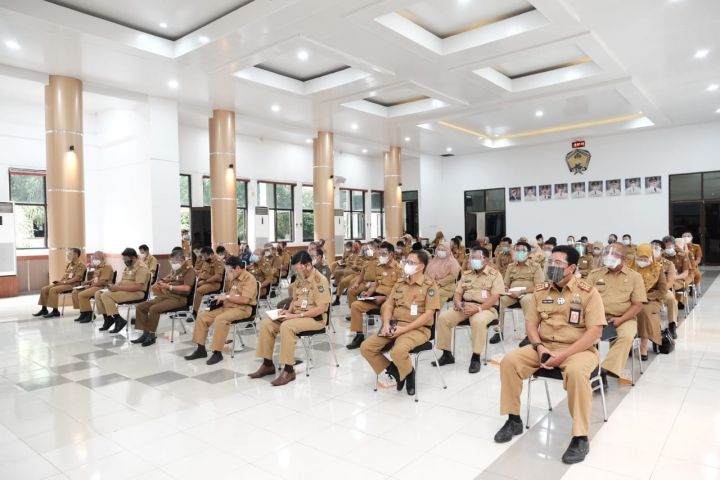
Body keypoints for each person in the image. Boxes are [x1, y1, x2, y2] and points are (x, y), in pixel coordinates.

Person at [494, 245, 605, 465]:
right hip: (543, 347)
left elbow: (595, 332)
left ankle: (580, 437)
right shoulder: (540, 290)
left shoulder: (587, 292)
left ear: (572, 267)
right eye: (550, 262)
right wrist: (538, 346)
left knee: (575, 372)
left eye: (558, 263)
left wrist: (564, 355)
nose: (551, 266)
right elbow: (531, 324)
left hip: (577, 350)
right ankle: (513, 419)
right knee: (509, 361)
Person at [360, 250, 440, 396]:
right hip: (394, 324)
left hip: (418, 329)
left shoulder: (430, 286)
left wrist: (403, 330)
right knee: (366, 347)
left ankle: (409, 375)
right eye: (406, 261)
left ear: (421, 266)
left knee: (397, 351)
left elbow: (429, 315)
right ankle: (396, 370)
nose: (407, 265)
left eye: (411, 262)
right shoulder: (400, 283)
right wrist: (385, 324)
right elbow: (389, 305)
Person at [249, 251, 331, 386]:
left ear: (308, 265)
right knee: (266, 323)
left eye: (297, 269)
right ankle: (267, 364)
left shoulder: (320, 280)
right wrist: (288, 311)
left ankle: (288, 370)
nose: (296, 272)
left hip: (315, 319)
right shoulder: (300, 278)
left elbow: (322, 308)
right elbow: (295, 299)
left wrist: (295, 316)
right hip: (297, 316)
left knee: (287, 326)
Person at [434, 246, 504, 373]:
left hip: (486, 309)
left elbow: (494, 297)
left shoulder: (495, 275)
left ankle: (476, 357)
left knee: (477, 321)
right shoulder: (466, 274)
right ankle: (446, 354)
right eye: (472, 258)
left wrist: (478, 308)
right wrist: (457, 302)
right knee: (443, 318)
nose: (473, 260)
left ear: (486, 260)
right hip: (465, 306)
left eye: (477, 258)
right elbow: (458, 292)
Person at [587, 244, 646, 387]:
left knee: (625, 337)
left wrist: (621, 319)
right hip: (597, 317)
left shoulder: (635, 277)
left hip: (624, 318)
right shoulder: (594, 274)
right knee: (584, 335)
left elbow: (638, 304)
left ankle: (602, 370)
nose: (608, 255)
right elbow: (585, 298)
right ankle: (592, 369)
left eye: (614, 253)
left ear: (624, 258)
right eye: (607, 252)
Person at [185, 254, 258, 364]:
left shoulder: (249, 279)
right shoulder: (233, 277)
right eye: (227, 270)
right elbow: (232, 293)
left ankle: (217, 353)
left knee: (220, 319)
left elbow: (245, 300)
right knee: (202, 316)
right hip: (228, 306)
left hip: (242, 309)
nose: (228, 272)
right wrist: (222, 296)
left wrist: (227, 297)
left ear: (238, 268)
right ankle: (201, 349)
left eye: (230, 270)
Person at [131, 249, 196, 346]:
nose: (172, 263)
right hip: (167, 295)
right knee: (141, 306)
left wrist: (169, 286)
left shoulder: (189, 270)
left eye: (173, 261)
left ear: (181, 260)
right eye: (171, 261)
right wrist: (162, 282)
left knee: (154, 309)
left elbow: (187, 288)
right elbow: (169, 277)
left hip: (179, 298)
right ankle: (145, 333)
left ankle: (152, 336)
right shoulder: (176, 269)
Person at [347, 242, 401, 349]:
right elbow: (376, 284)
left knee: (386, 308)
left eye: (384, 254)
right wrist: (368, 293)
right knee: (356, 305)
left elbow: (400, 290)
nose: (381, 256)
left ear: (391, 254)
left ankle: (387, 338)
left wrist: (385, 298)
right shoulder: (379, 267)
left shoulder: (398, 268)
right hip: (376, 297)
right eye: (380, 253)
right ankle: (359, 335)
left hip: (390, 299)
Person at [96, 248, 151, 333]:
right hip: (125, 291)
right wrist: (114, 286)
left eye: (126, 259)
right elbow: (123, 281)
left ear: (133, 257)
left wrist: (117, 288)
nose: (124, 261)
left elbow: (138, 287)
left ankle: (118, 319)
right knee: (98, 293)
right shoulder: (129, 267)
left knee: (105, 295)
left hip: (137, 293)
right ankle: (108, 319)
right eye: (124, 259)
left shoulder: (141, 268)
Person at [628, 244, 666, 359]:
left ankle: (643, 346)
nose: (642, 261)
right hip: (631, 298)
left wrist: (645, 297)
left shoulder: (657, 268)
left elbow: (662, 291)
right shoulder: (630, 267)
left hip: (651, 299)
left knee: (643, 312)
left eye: (645, 259)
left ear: (651, 257)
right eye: (640, 259)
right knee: (621, 310)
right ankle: (626, 343)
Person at [33, 248, 86, 318]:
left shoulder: (80, 265)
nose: (67, 255)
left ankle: (55, 311)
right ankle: (44, 309)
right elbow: (65, 276)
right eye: (68, 254)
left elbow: (77, 278)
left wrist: (63, 282)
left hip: (72, 285)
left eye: (69, 254)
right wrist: (59, 282)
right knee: (44, 289)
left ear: (76, 255)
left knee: (53, 290)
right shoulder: (70, 264)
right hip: (64, 283)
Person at [499, 241, 544, 320]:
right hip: (512, 294)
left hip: (528, 293)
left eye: (523, 251)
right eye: (517, 250)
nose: (520, 252)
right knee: (501, 300)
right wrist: (506, 289)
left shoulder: (535, 266)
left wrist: (521, 292)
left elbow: (539, 286)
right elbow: (506, 283)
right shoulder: (511, 266)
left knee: (526, 300)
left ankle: (530, 327)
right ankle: (500, 327)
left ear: (529, 253)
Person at [72, 251, 113, 323]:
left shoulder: (106, 267)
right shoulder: (98, 267)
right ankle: (83, 313)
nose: (94, 260)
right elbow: (96, 279)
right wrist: (88, 282)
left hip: (102, 287)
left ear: (102, 258)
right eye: (93, 258)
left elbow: (102, 281)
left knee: (82, 294)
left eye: (96, 258)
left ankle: (89, 314)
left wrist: (90, 285)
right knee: (75, 292)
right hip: (94, 286)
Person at [652, 239, 678, 339]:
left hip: (663, 290)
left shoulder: (668, 264)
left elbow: (670, 281)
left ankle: (672, 325)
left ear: (662, 251)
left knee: (671, 299)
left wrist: (660, 292)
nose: (653, 250)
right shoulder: (646, 262)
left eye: (656, 248)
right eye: (651, 247)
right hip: (647, 290)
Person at [425, 240, 462, 305]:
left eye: (443, 250)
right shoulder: (434, 260)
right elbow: (426, 273)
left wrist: (439, 282)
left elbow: (452, 276)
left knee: (432, 294)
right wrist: (429, 282)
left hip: (446, 287)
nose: (440, 251)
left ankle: (433, 312)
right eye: (439, 249)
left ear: (448, 250)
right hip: (431, 284)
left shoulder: (453, 262)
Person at [192, 246, 225, 317]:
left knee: (198, 291)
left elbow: (217, 276)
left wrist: (204, 282)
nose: (203, 258)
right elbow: (202, 271)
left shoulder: (218, 262)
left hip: (214, 284)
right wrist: (196, 272)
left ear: (210, 254)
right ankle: (189, 307)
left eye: (204, 256)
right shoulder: (207, 261)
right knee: (190, 286)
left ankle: (195, 312)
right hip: (204, 281)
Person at [662, 235, 690, 310]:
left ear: (674, 245)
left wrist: (674, 277)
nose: (668, 248)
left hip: (678, 279)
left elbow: (685, 273)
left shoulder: (682, 255)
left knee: (672, 285)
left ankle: (675, 303)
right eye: (666, 246)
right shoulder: (661, 255)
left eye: (670, 246)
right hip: (664, 279)